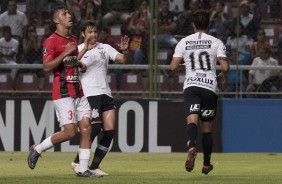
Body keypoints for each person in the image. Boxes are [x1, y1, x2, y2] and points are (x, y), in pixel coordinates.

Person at [27, 4, 100, 178]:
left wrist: (81, 57)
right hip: (63, 91)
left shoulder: (74, 39)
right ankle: (38, 149)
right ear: (56, 20)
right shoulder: (50, 41)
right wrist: (64, 54)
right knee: (70, 132)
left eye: (68, 12)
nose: (69, 15)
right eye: (64, 13)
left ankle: (83, 169)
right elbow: (46, 67)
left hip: (78, 89)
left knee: (86, 128)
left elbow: (71, 61)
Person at [170, 10, 229, 175]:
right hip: (209, 86)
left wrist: (186, 68)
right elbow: (225, 67)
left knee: (192, 120)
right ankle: (206, 164)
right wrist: (222, 77)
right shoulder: (217, 42)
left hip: (191, 85)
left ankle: (191, 147)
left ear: (193, 25)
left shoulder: (184, 42)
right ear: (208, 25)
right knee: (207, 127)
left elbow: (173, 67)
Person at [71, 20, 129, 176]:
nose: (93, 34)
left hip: (106, 93)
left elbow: (123, 60)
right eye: (90, 32)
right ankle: (78, 162)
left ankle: (95, 166)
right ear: (83, 34)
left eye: (95, 31)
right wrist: (85, 50)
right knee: (95, 128)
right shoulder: (79, 49)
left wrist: (125, 51)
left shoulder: (105, 47)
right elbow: (77, 66)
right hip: (89, 94)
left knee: (109, 132)